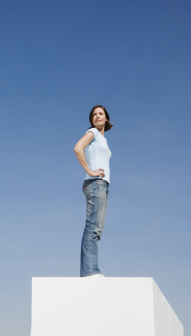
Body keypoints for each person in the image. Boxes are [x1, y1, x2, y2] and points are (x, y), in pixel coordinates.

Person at [73, 105, 113, 278]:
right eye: (94, 114)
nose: (97, 116)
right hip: (95, 182)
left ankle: (90, 270)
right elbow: (77, 147)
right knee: (93, 228)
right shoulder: (93, 133)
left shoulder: (103, 139)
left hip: (102, 185)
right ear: (92, 120)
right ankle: (90, 271)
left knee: (97, 229)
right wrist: (90, 170)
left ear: (106, 118)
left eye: (100, 114)